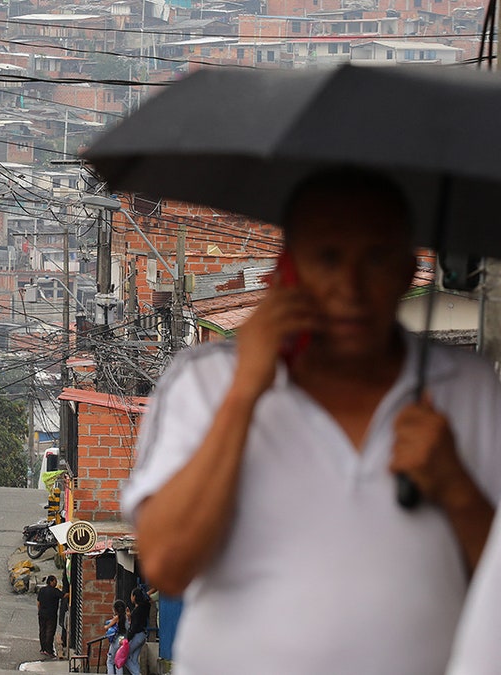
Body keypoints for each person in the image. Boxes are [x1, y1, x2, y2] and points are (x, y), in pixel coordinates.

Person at [121, 170, 501, 674]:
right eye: (328, 258)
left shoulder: (469, 390)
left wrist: (456, 487)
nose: (351, 286)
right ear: (288, 270)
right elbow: (168, 563)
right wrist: (244, 394)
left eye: (376, 258)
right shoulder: (207, 382)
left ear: (410, 269)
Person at [122, 588, 150, 674]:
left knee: (125, 657)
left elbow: (134, 627)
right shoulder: (144, 608)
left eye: (131, 595)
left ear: (134, 597)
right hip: (143, 635)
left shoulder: (137, 611)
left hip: (137, 636)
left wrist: (127, 639)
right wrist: (130, 616)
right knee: (133, 659)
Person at [36, 575, 65, 657]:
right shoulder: (54, 591)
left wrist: (39, 611)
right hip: (51, 615)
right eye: (55, 581)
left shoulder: (42, 590)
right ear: (51, 581)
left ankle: (43, 648)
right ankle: (49, 650)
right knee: (50, 631)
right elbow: (63, 596)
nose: (56, 583)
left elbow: (38, 602)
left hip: (42, 614)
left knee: (42, 631)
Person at [104, 599, 128, 674]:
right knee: (119, 662)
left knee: (110, 661)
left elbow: (107, 627)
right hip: (123, 640)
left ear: (115, 609)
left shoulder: (116, 618)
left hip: (116, 640)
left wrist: (107, 625)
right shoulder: (126, 617)